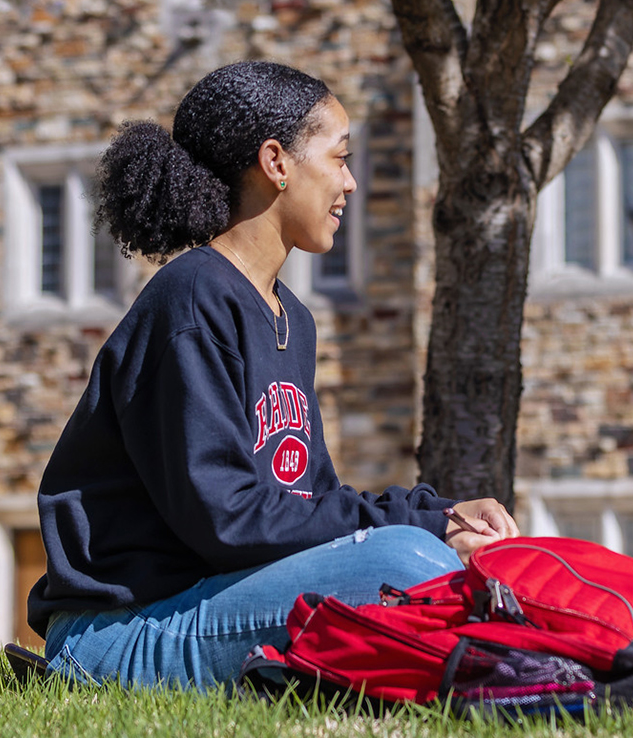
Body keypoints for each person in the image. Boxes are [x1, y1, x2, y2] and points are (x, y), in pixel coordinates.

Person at [27, 61, 518, 688]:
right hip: (121, 632)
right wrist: (424, 528)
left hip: (209, 600)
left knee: (417, 558)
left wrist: (442, 511)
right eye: (339, 158)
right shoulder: (192, 298)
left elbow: (308, 507)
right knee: (404, 560)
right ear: (276, 163)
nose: (351, 182)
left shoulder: (292, 319)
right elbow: (227, 521)